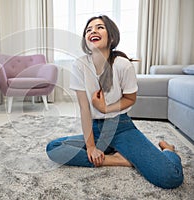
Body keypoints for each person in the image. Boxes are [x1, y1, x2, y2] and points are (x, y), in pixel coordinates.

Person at [46, 15, 184, 189]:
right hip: (96, 130)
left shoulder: (122, 64)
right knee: (54, 148)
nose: (93, 31)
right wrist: (90, 148)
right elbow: (84, 109)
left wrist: (105, 108)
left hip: (121, 127)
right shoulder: (79, 65)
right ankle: (119, 159)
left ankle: (168, 150)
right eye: (89, 29)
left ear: (111, 37)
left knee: (171, 177)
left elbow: (130, 99)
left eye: (99, 27)